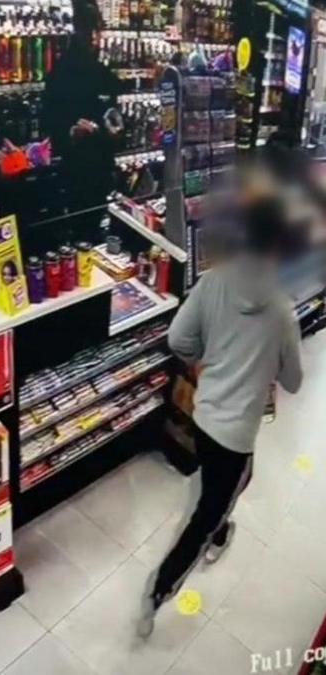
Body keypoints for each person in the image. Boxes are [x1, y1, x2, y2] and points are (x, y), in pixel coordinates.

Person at [137, 197, 303, 637]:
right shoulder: (283, 311)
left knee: (217, 482)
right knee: (213, 505)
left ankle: (221, 527)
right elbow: (294, 381)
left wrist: (202, 364)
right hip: (238, 432)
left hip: (203, 414)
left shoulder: (212, 281)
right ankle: (161, 588)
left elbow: (178, 338)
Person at [39, 0, 123, 213]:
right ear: (77, 30)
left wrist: (116, 131)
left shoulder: (105, 74)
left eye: (97, 29)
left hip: (103, 170)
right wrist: (70, 131)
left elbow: (117, 120)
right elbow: (47, 121)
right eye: (88, 28)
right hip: (73, 172)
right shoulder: (61, 73)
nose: (94, 36)